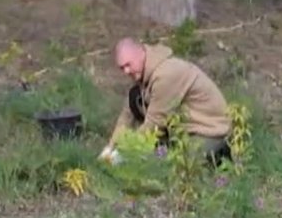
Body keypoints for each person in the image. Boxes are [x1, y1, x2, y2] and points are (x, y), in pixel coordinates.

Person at [98, 37, 233, 166]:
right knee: (135, 101)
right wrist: (110, 148)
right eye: (122, 68)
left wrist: (125, 151)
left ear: (141, 54)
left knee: (156, 165)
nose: (126, 71)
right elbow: (126, 117)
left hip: (208, 132)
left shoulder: (166, 75)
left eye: (128, 64)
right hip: (184, 132)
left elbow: (155, 122)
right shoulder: (142, 75)